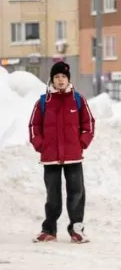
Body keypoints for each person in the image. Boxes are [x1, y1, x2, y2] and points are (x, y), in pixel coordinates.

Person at [28, 61, 95, 244]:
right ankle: (49, 230)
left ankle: (77, 230)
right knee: (53, 195)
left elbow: (88, 123)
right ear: (52, 80)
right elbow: (34, 126)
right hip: (50, 158)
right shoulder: (43, 102)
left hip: (74, 156)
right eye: (57, 77)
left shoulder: (78, 100)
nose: (60, 80)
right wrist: (40, 144)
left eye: (63, 77)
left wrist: (82, 142)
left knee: (77, 192)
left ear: (68, 79)